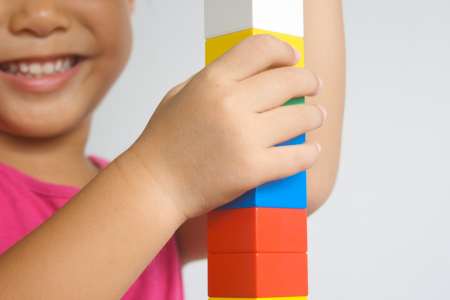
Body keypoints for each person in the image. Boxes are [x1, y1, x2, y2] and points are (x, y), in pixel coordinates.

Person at [0, 0, 346, 299]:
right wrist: (160, 179)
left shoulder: (162, 214)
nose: (39, 16)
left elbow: (295, 175)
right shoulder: (157, 189)